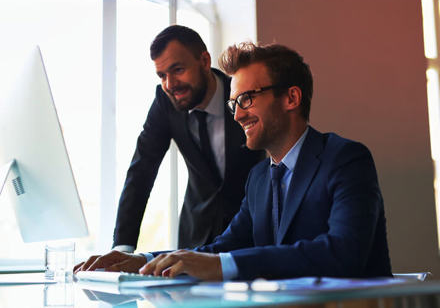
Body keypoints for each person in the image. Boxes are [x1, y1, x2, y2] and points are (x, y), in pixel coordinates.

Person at [76, 42, 392, 281]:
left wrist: (225, 265)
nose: (238, 114)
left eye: (246, 99)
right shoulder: (258, 179)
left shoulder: (345, 159)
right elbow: (223, 247)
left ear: (291, 98)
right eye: (233, 103)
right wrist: (142, 260)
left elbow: (344, 253)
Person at [113, 26, 264, 252]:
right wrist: (122, 247)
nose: (170, 84)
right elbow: (141, 170)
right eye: (162, 75)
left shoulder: (242, 95)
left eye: (178, 70)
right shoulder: (164, 102)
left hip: (249, 238)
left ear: (204, 61)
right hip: (195, 238)